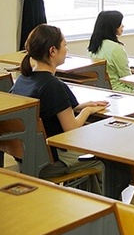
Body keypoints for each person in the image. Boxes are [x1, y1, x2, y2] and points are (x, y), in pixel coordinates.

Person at [11, 24, 108, 194]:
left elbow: (48, 109)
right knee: (104, 160)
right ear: (53, 51)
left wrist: (80, 106)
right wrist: (87, 111)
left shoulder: (23, 79)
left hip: (27, 158)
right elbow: (72, 129)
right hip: (52, 161)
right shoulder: (53, 85)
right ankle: (102, 212)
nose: (67, 49)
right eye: (65, 45)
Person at [86, 10, 134, 93]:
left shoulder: (92, 46)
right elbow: (128, 80)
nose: (123, 26)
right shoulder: (116, 48)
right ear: (113, 26)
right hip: (119, 91)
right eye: (120, 23)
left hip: (101, 91)